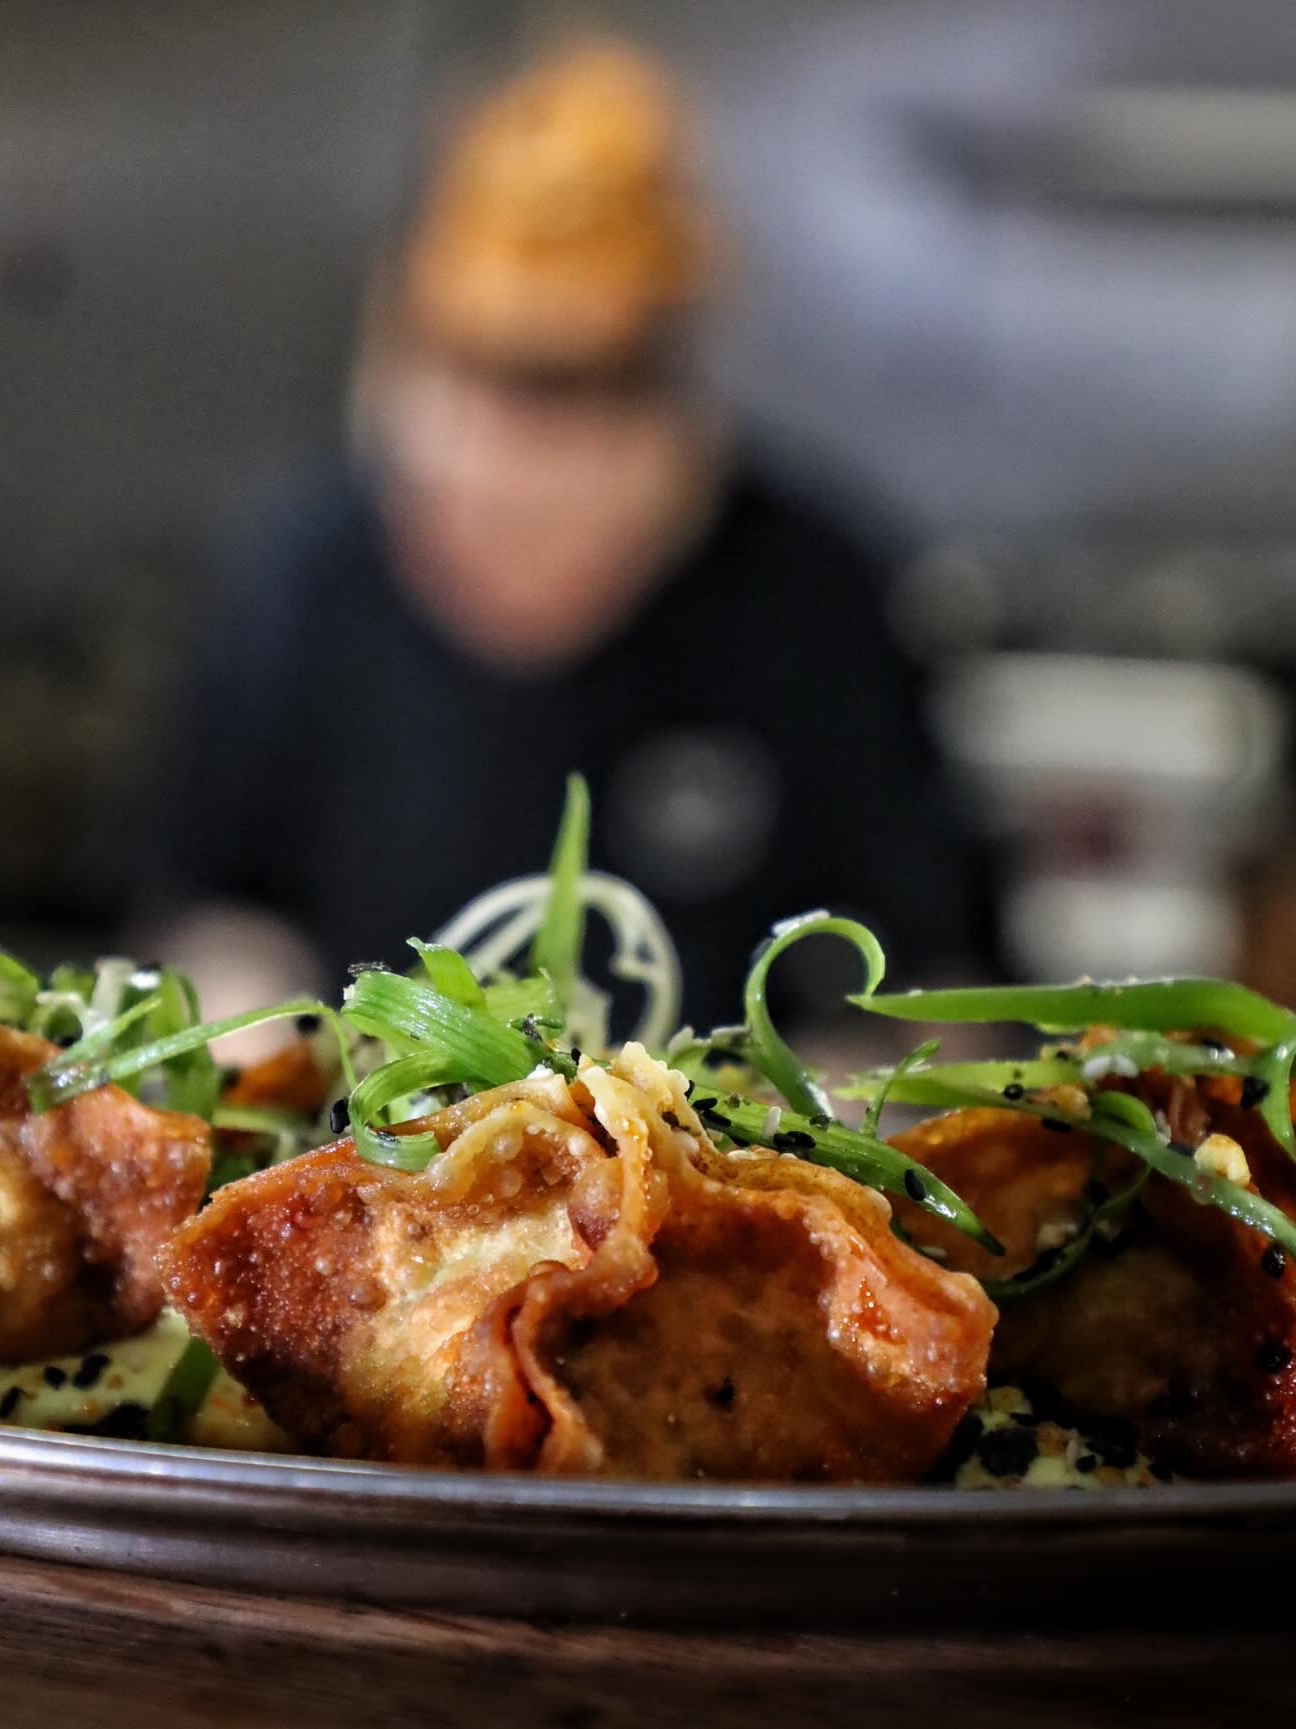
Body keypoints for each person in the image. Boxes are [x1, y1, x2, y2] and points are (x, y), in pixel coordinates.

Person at [153, 40, 988, 1029]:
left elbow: (941, 978)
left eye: (578, 406)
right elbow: (209, 906)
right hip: (356, 1157)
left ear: (678, 406)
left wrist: (837, 1110)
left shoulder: (821, 598)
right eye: (483, 393)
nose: (515, 482)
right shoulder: (296, 576)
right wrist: (255, 1048)